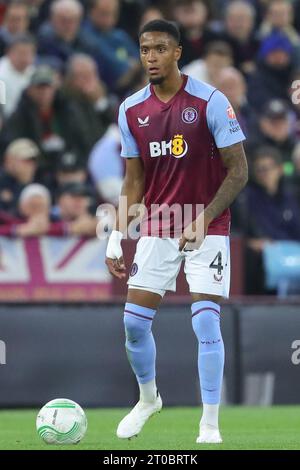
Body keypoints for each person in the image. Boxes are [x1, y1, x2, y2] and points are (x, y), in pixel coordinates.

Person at [105, 19, 248, 444]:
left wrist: (204, 218)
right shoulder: (131, 109)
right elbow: (133, 181)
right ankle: (149, 399)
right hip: (158, 226)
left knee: (205, 322)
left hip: (209, 224)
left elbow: (238, 171)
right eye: (145, 49)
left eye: (160, 49)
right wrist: (117, 235)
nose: (151, 57)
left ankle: (209, 424)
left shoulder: (210, 101)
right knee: (133, 324)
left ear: (178, 52)